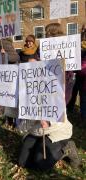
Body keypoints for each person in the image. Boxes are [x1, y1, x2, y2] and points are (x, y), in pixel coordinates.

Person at [18, 23, 81, 171]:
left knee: (41, 164)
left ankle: (66, 146)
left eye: (50, 35)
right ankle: (38, 143)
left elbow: (63, 98)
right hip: (37, 126)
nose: (47, 38)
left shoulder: (66, 71)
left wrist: (48, 114)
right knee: (23, 162)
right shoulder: (40, 55)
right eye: (47, 35)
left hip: (55, 127)